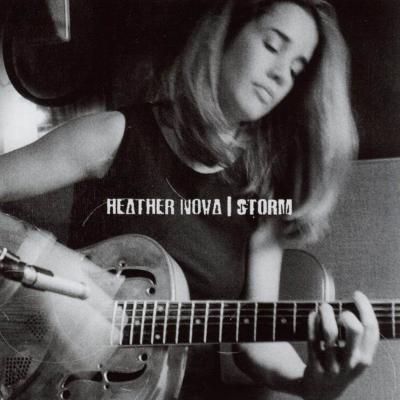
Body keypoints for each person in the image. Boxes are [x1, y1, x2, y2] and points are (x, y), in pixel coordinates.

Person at [0, 0, 379, 399]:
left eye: (297, 68)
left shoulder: (263, 190)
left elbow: (257, 341)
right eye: (272, 45)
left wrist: (310, 383)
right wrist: (49, 267)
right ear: (223, 35)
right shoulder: (115, 135)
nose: (281, 73)